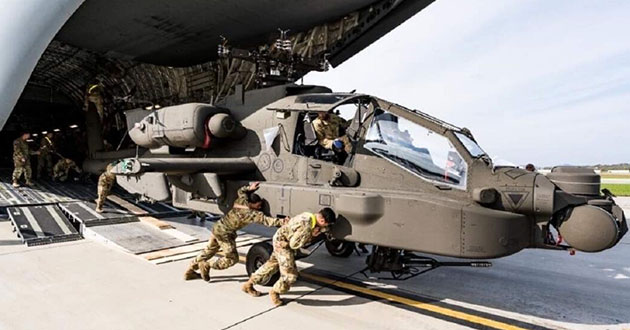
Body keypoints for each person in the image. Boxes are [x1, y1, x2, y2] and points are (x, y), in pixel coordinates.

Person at [184, 182, 285, 281]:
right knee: (232, 259)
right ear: (251, 204)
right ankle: (207, 265)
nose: (259, 208)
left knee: (208, 251)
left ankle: (189, 271)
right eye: (258, 206)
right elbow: (267, 221)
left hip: (218, 227)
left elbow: (241, 191)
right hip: (225, 234)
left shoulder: (242, 200)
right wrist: (283, 221)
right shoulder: (250, 214)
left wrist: (250, 188)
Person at [242, 208, 336, 306]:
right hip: (283, 245)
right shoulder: (307, 227)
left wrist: (321, 229)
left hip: (279, 238)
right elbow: (294, 244)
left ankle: (248, 284)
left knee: (272, 265)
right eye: (327, 224)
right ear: (322, 221)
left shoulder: (308, 216)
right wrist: (311, 236)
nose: (326, 226)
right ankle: (275, 292)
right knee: (290, 275)